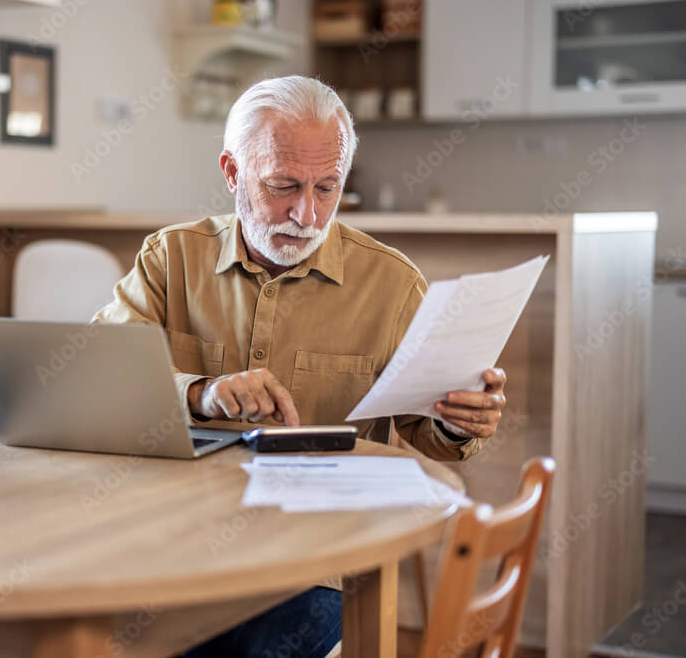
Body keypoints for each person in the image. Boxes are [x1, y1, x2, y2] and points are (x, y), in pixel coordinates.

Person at [92, 75, 506, 658]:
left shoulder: (392, 286)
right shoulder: (171, 258)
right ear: (232, 172)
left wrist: (458, 422)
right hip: (178, 545)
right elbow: (98, 377)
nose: (307, 214)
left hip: (319, 561)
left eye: (327, 187)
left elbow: (429, 434)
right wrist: (201, 392)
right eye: (283, 186)